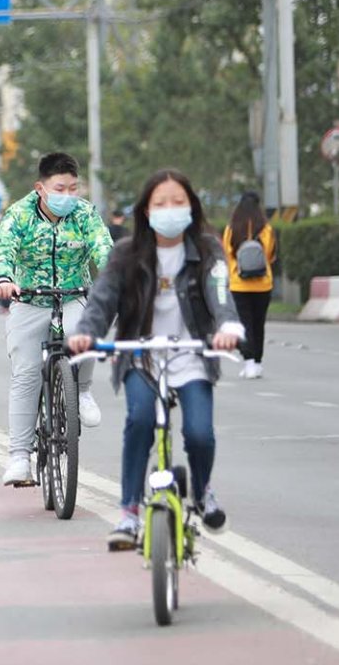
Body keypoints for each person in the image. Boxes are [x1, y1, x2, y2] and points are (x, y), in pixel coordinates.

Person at [68, 169, 242, 549]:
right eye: (160, 203)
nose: (169, 210)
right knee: (140, 420)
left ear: (192, 208)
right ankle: (129, 513)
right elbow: (101, 300)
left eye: (178, 202)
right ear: (145, 211)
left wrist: (228, 328)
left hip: (193, 354)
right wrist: (86, 334)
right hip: (140, 355)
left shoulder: (208, 251)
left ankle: (203, 490)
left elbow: (220, 294)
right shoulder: (126, 254)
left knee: (199, 433)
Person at [0, 152, 114, 487]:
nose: (68, 196)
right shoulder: (19, 215)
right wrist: (3, 280)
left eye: (74, 188)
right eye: (61, 188)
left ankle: (82, 390)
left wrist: (116, 275)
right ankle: (18, 456)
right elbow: (3, 249)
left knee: (85, 332)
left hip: (73, 296)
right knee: (27, 372)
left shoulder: (85, 214)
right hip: (28, 299)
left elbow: (104, 247)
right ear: (41, 188)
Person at [222, 192, 276, 379]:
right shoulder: (266, 229)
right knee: (258, 323)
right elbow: (270, 255)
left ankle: (249, 362)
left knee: (245, 325)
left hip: (239, 285)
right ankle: (258, 363)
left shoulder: (232, 228)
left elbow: (227, 254)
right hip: (263, 284)